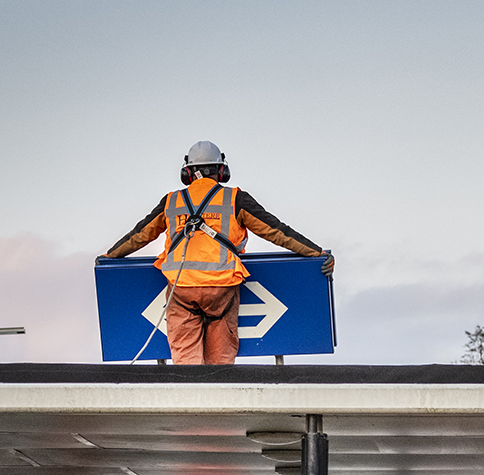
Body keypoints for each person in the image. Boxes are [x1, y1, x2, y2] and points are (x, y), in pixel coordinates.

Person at [100, 140, 334, 365]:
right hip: (222, 287)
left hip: (181, 289)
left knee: (186, 364)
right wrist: (317, 253)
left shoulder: (171, 201)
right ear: (222, 170)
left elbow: (139, 235)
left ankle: (192, 397)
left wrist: (109, 256)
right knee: (220, 364)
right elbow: (277, 231)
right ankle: (220, 396)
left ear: (188, 173)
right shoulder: (235, 199)